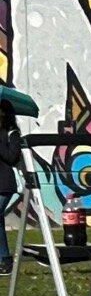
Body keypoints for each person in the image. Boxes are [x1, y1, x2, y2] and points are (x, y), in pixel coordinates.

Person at [0, 102, 22, 275]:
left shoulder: (12, 134)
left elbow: (12, 157)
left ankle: (6, 259)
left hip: (5, 184)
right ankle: (4, 258)